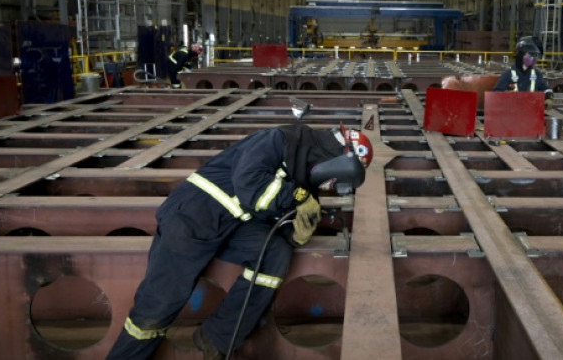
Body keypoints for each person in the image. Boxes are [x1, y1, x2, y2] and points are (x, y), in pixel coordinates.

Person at [106, 123, 374, 360]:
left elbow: (276, 216)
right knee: (160, 304)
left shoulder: (304, 173)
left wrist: (296, 230)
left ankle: (218, 337)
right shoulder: (280, 140)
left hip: (234, 223)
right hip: (193, 216)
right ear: (338, 159)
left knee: (275, 253)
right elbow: (251, 187)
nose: (331, 185)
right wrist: (297, 197)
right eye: (336, 179)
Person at [493, 36, 555, 108]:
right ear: (521, 55)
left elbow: (546, 89)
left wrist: (548, 98)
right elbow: (495, 94)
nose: (535, 59)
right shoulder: (508, 74)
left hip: (532, 113)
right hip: (513, 114)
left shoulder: (537, 74)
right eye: (532, 55)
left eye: (536, 55)